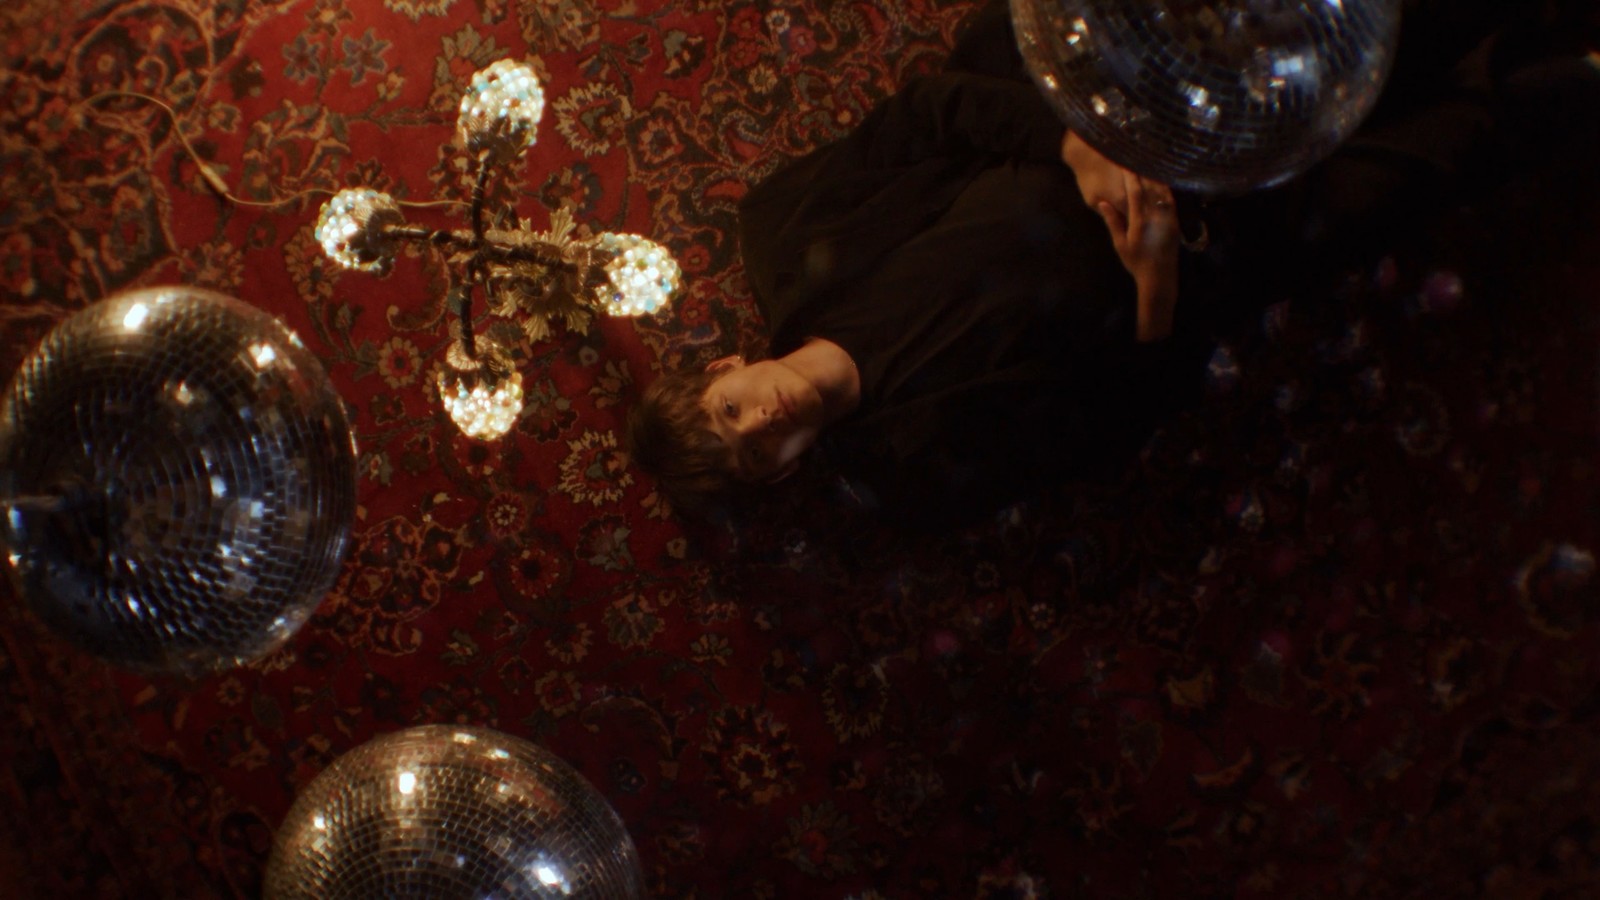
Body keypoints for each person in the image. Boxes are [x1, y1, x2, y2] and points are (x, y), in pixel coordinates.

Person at [628, 0, 1594, 528]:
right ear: (776, 477)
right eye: (752, 451)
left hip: (1118, 114)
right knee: (1452, 150)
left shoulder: (789, 241)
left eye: (731, 411)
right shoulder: (914, 475)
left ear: (725, 368)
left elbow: (929, 113)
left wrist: (1074, 148)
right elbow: (1120, 422)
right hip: (1211, 254)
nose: (764, 420)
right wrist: (1157, 279)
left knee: (1370, 35)